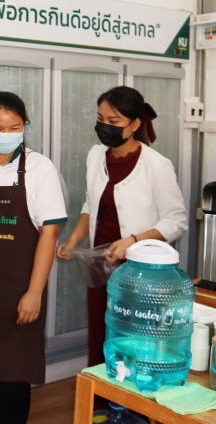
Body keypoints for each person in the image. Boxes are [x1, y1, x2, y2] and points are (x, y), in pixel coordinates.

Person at [57, 86, 187, 368]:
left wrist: (133, 241)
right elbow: (91, 204)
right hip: (101, 268)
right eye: (100, 119)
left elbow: (176, 220)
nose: (104, 126)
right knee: (100, 334)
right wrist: (73, 240)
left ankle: (129, 395)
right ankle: (99, 395)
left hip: (139, 274)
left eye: (113, 121)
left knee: (132, 340)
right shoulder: (95, 156)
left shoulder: (156, 164)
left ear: (135, 124)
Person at [0, 92, 67, 424]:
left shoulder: (40, 168)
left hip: (19, 292)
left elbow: (49, 234)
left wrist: (34, 292)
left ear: (24, 126)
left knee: (12, 379)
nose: (7, 134)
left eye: (14, 127)